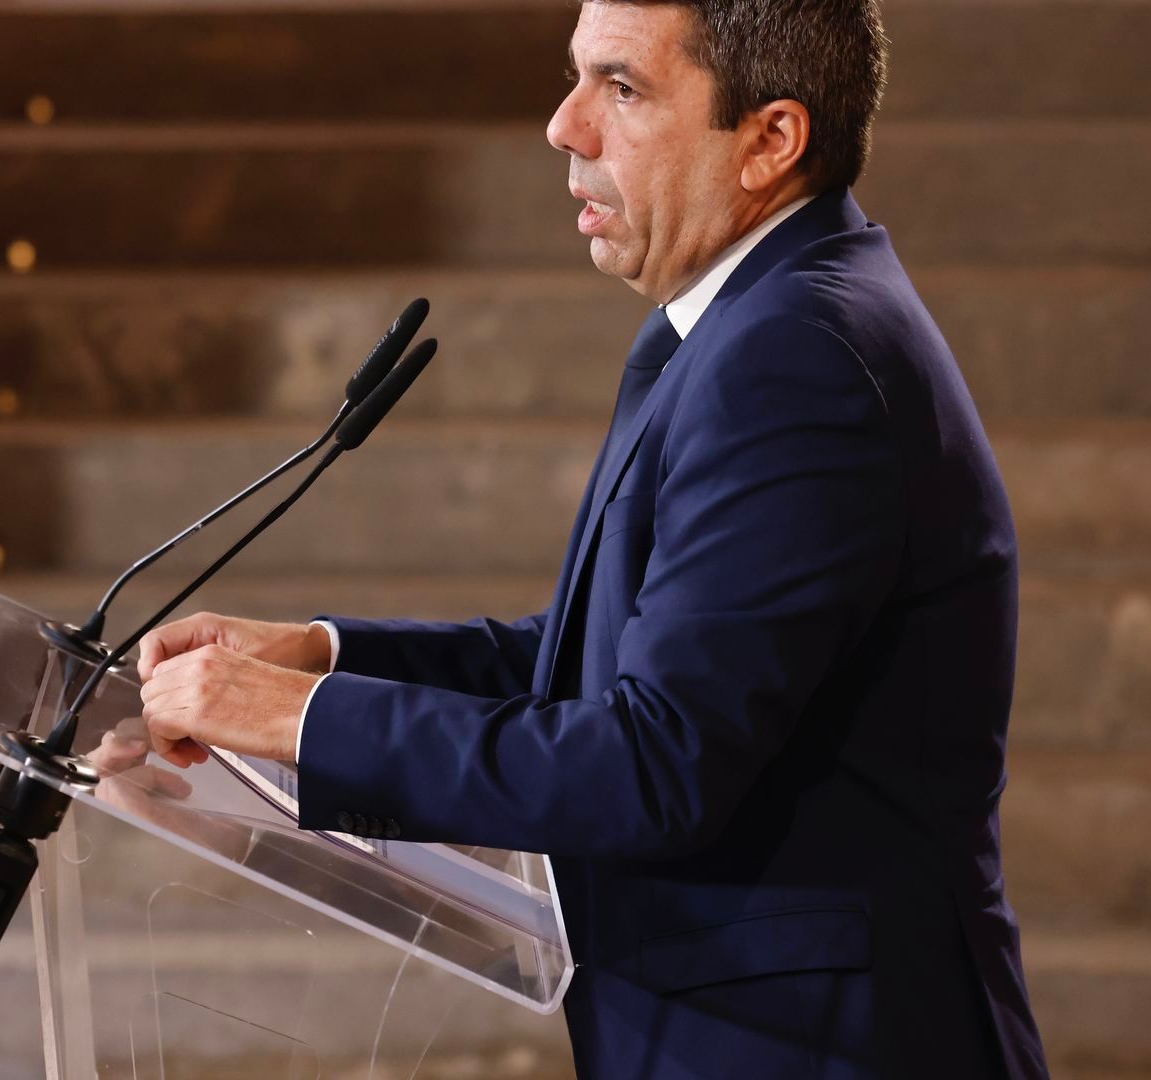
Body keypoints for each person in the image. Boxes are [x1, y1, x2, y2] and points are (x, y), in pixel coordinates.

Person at [132, 1, 1050, 1077]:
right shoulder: (754, 323)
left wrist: (301, 719)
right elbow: (611, 667)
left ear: (770, 140)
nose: (566, 126)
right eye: (576, 79)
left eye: (622, 88)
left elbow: (657, 760)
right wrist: (323, 658)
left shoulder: (796, 356)